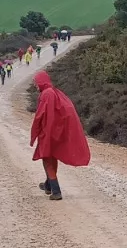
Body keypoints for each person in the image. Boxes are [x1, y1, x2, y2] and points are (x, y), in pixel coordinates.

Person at [30, 71, 90, 200]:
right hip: (56, 132)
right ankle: (48, 185)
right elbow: (67, 111)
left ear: (41, 81)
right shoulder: (55, 92)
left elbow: (39, 116)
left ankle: (56, 191)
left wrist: (34, 134)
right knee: (51, 158)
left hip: (47, 132)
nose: (35, 85)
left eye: (36, 82)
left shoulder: (46, 95)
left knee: (47, 159)